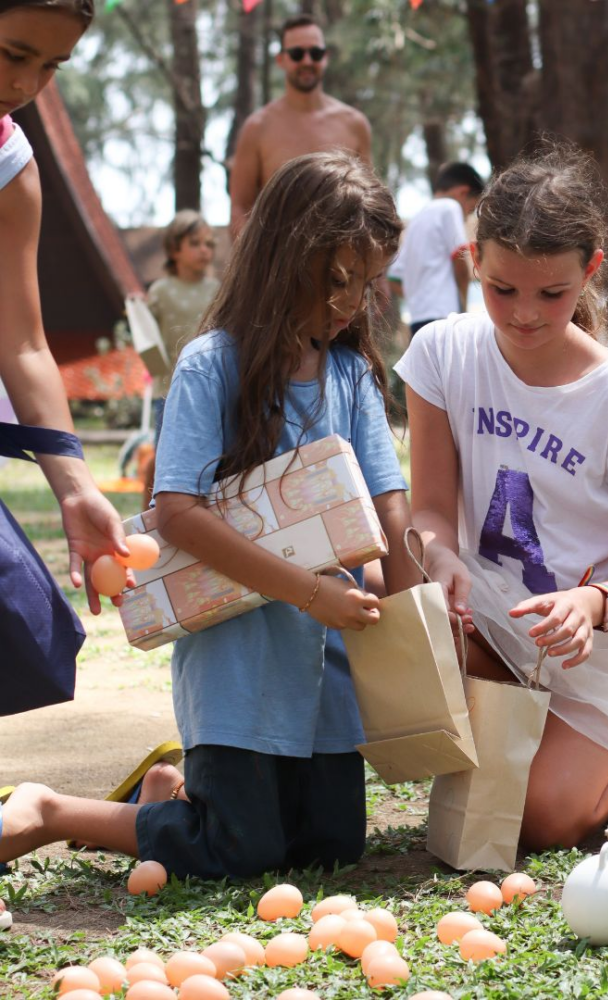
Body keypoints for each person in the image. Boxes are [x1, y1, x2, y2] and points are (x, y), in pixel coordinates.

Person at [0, 151, 422, 878]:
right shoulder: (210, 365)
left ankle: (172, 789)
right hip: (239, 663)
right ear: (287, 258)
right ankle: (52, 810)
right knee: (240, 849)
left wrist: (418, 607)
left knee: (331, 847)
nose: (353, 302)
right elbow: (176, 514)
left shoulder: (350, 374)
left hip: (327, 674)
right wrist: (312, 592)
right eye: (340, 280)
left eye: (369, 283)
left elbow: (389, 507)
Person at [396, 145, 608, 851]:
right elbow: (428, 511)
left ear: (590, 271)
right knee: (381, 585)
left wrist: (591, 605)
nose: (525, 315)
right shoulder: (442, 355)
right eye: (502, 288)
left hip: (604, 652)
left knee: (536, 824)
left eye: (552, 293)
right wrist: (440, 555)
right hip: (493, 619)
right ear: (473, 258)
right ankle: (527, 734)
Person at [0, 0, 128, 619]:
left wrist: (76, 488)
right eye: (12, 54)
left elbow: (23, 343)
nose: (24, 85)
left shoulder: (9, 166)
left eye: (50, 65)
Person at [229, 12, 372, 239]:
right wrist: (254, 265)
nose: (307, 61)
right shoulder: (257, 128)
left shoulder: (354, 124)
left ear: (325, 57)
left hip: (342, 266)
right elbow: (240, 207)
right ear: (281, 60)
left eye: (315, 53)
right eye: (297, 54)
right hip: (279, 266)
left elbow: (369, 204)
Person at [141, 209, 219, 506]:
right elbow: (145, 334)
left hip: (211, 388)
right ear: (174, 249)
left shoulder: (216, 290)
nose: (205, 250)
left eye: (209, 244)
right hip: (169, 389)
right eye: (196, 243)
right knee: (164, 454)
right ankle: (153, 512)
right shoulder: (160, 291)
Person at [388, 161, 484, 337]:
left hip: (418, 319)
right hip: (444, 316)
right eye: (470, 209)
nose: (466, 216)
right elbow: (460, 260)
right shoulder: (450, 207)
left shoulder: (417, 220)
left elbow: (394, 278)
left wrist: (419, 299)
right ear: (463, 193)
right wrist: (463, 311)